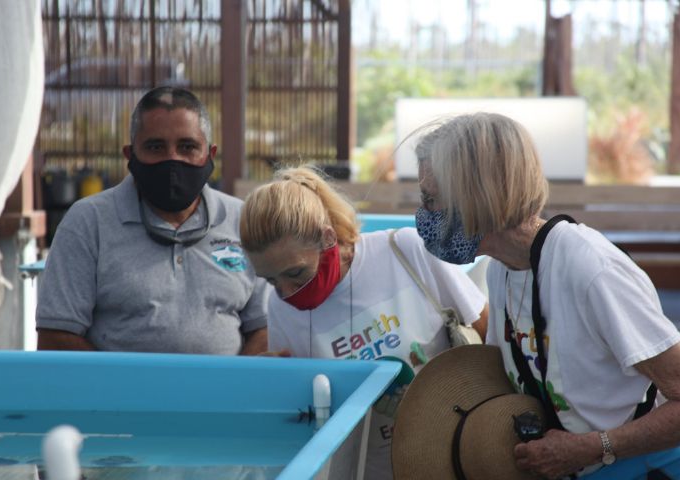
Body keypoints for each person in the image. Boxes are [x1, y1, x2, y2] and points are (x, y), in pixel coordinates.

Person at [413, 112, 680, 478]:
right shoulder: (501, 269)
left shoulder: (589, 268)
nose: (422, 214)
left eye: (430, 199)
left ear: (475, 197)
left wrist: (592, 448)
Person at [239, 166, 488, 480]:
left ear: (328, 237)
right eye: (271, 281)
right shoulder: (281, 307)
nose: (287, 293)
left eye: (295, 274)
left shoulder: (406, 251)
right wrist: (275, 385)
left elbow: (486, 329)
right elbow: (305, 417)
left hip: (451, 459)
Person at [36, 86, 270, 354]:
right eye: (156, 147)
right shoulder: (88, 223)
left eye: (187, 146)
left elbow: (264, 328)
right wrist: (130, 389)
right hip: (121, 396)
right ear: (130, 155)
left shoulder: (243, 221)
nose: (172, 159)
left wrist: (234, 387)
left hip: (222, 395)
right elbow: (56, 336)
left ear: (210, 154)